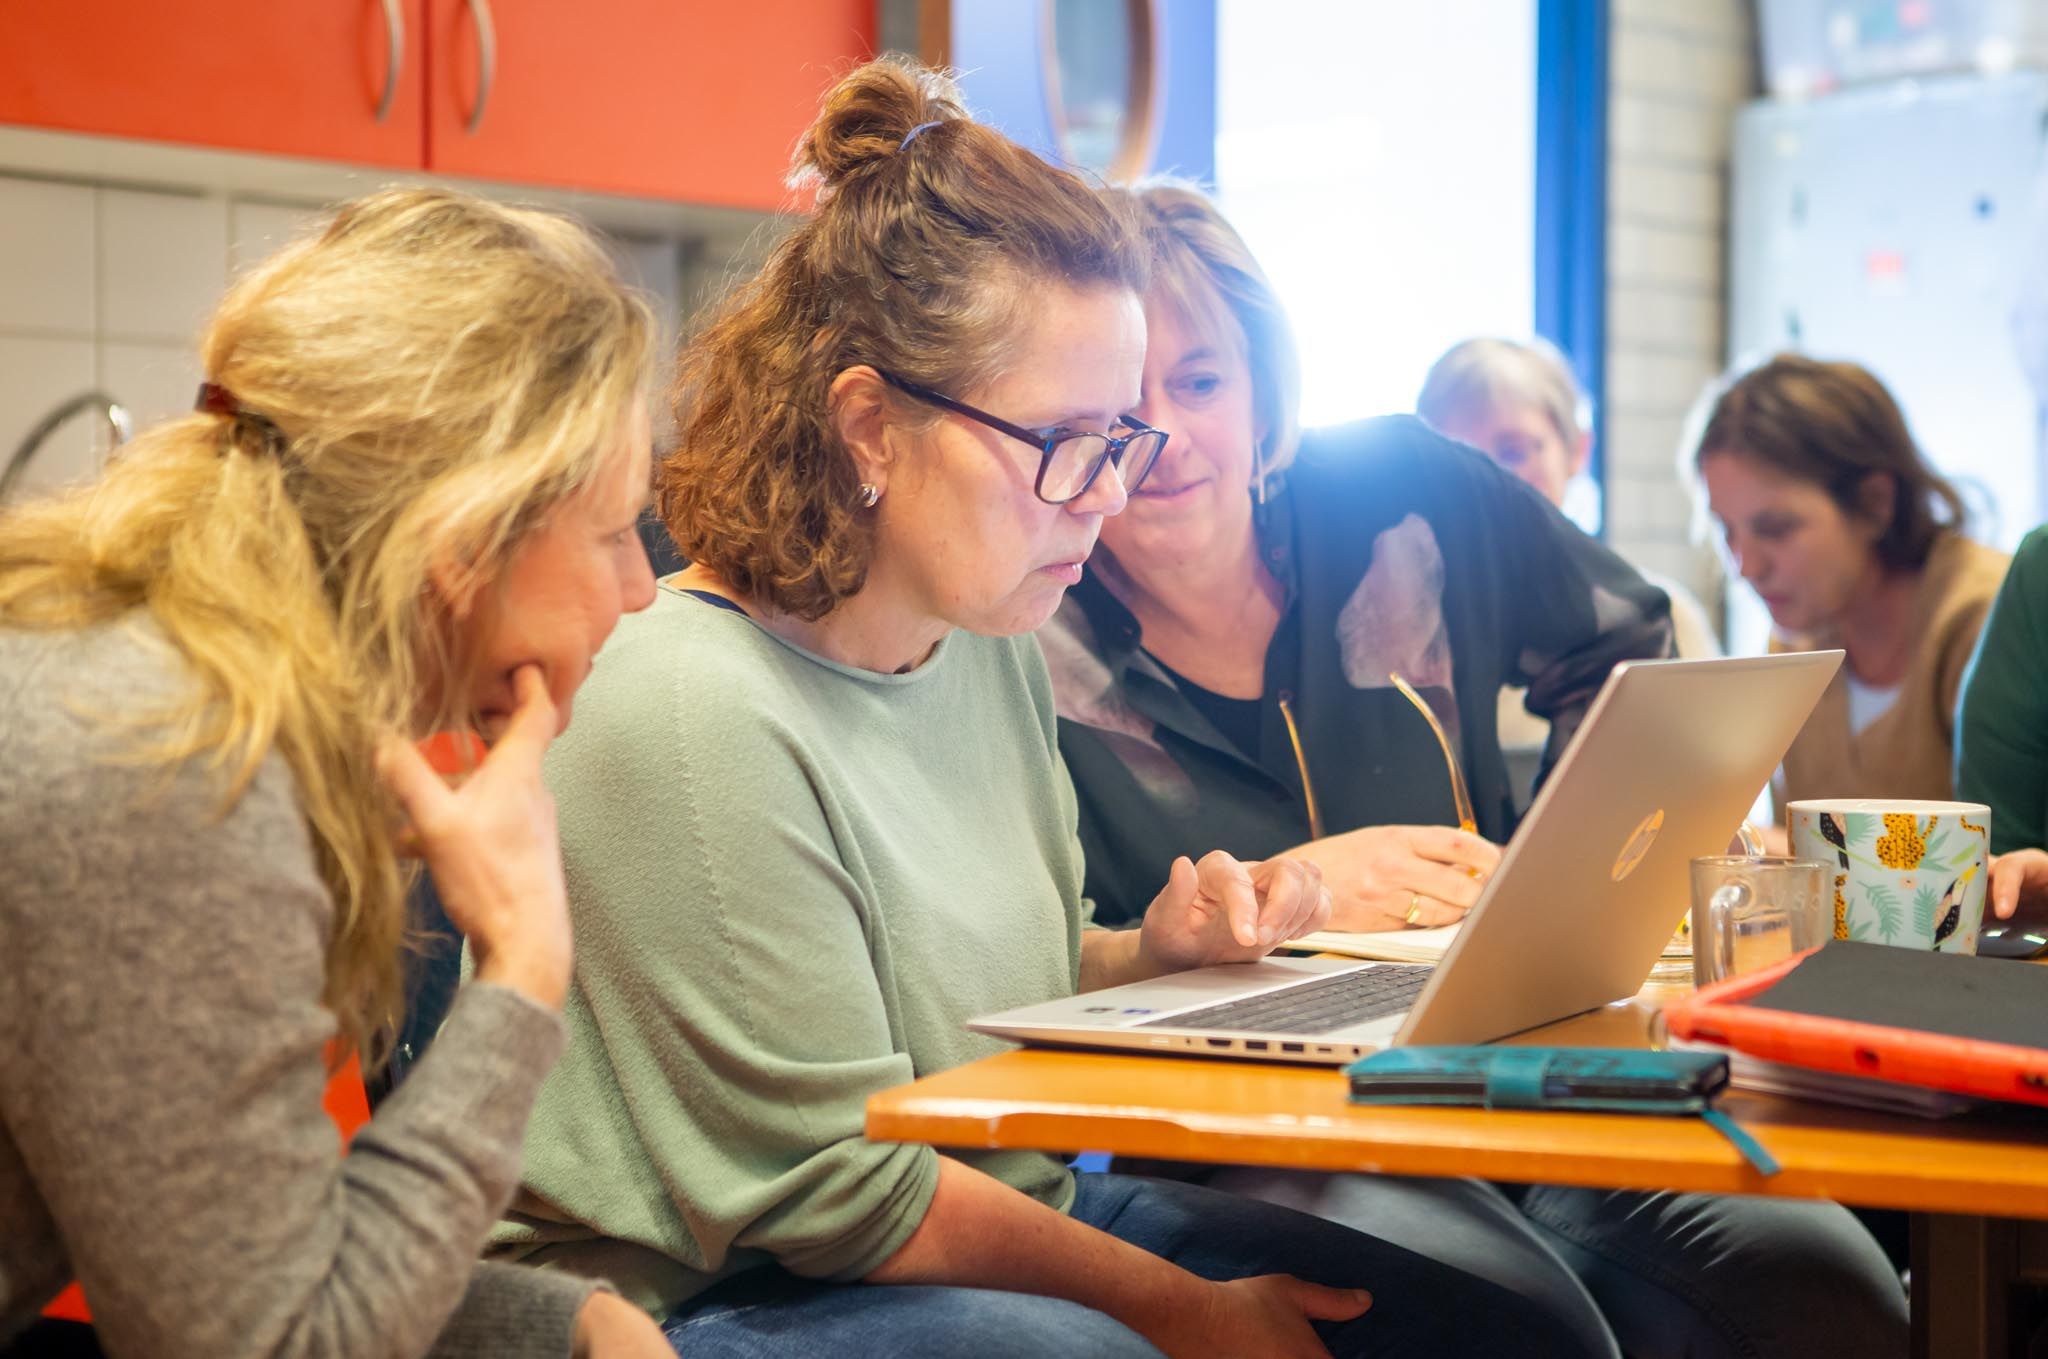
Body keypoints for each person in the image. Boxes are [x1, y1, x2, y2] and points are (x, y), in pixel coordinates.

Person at [486, 58, 1587, 1359]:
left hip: (977, 1202)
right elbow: (844, 1192)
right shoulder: (691, 704)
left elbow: (1016, 963)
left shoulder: (983, 639)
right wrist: (1187, 1309)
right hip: (717, 1286)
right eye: (1067, 443)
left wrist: (1152, 949)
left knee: (1512, 1322)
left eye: (1117, 441)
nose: (1109, 495)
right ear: (871, 429)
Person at [1040, 179, 1908, 1359]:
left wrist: (1562, 880)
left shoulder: (1409, 488)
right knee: (1527, 1331)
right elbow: (1021, 942)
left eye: (1200, 381)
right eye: (1117, 402)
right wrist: (1277, 889)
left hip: (1515, 1055)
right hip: (1244, 1125)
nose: (1166, 438)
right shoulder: (1029, 617)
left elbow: (1625, 636)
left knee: (1827, 1293)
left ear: (1263, 388)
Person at [0, 189, 670, 1358]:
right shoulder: (170, 764)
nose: (640, 590)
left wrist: (560, 1326)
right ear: (462, 538)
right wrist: (518, 974)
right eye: (616, 532)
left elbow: (238, 1268)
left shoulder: (175, 676)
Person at [1693, 354, 2009, 817]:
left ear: (1875, 503)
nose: (1746, 566)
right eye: (1727, 531)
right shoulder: (1795, 648)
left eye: (1776, 529)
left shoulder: (1983, 619)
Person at [1417, 337, 1721, 803]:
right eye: (1455, 460)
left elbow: (1702, 803)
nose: (1483, 486)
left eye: (1513, 453)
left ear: (1578, 450)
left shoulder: (1660, 617)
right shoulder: (1399, 644)